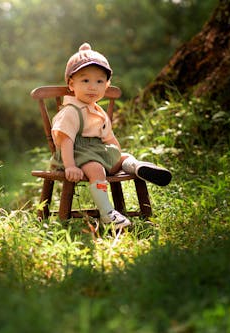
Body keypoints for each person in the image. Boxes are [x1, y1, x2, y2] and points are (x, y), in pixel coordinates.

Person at [51, 43, 172, 230]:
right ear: (71, 84)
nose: (93, 87)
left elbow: (109, 139)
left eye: (99, 81)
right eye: (85, 81)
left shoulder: (99, 112)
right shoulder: (71, 111)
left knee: (122, 157)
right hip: (76, 153)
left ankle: (137, 166)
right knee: (97, 169)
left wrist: (116, 154)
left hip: (97, 151)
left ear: (107, 85)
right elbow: (65, 140)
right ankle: (107, 212)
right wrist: (70, 166)